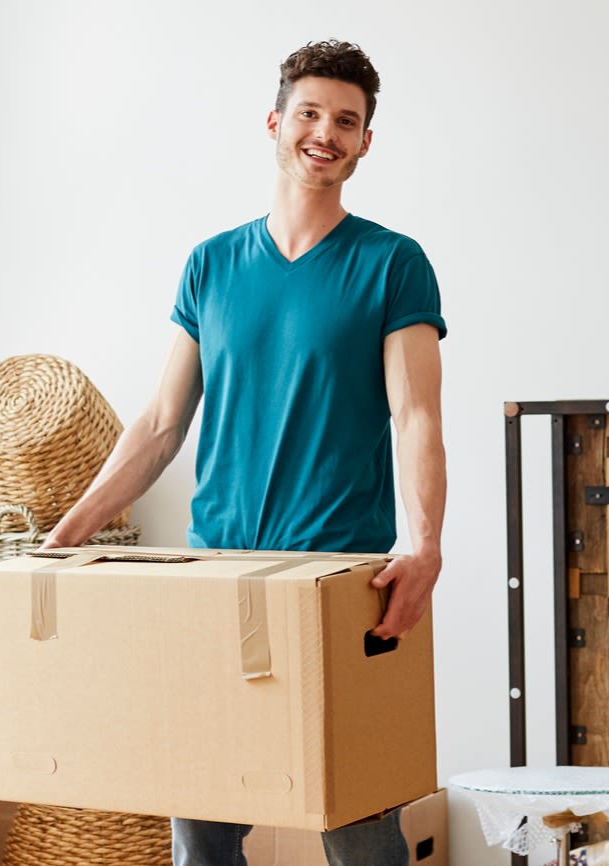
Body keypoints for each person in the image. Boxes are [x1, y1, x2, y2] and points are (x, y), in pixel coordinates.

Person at [43, 38, 447, 866]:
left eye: (346, 120)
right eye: (309, 113)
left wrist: (423, 547)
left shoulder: (391, 263)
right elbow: (160, 422)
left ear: (366, 142)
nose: (324, 133)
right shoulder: (211, 264)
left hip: (340, 575)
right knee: (202, 823)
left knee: (358, 821)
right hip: (215, 574)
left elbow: (415, 417)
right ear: (274, 122)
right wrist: (67, 534)